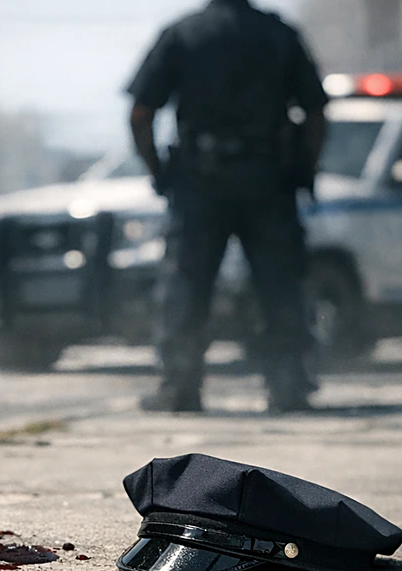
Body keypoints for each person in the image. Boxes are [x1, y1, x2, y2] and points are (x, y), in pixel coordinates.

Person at [128, 0, 329, 413]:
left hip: (200, 183)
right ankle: (288, 385)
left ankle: (180, 387)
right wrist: (304, 170)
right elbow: (315, 113)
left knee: (186, 285)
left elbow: (141, 113)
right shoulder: (279, 34)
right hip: (269, 180)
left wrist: (160, 173)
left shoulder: (184, 34)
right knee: (281, 285)